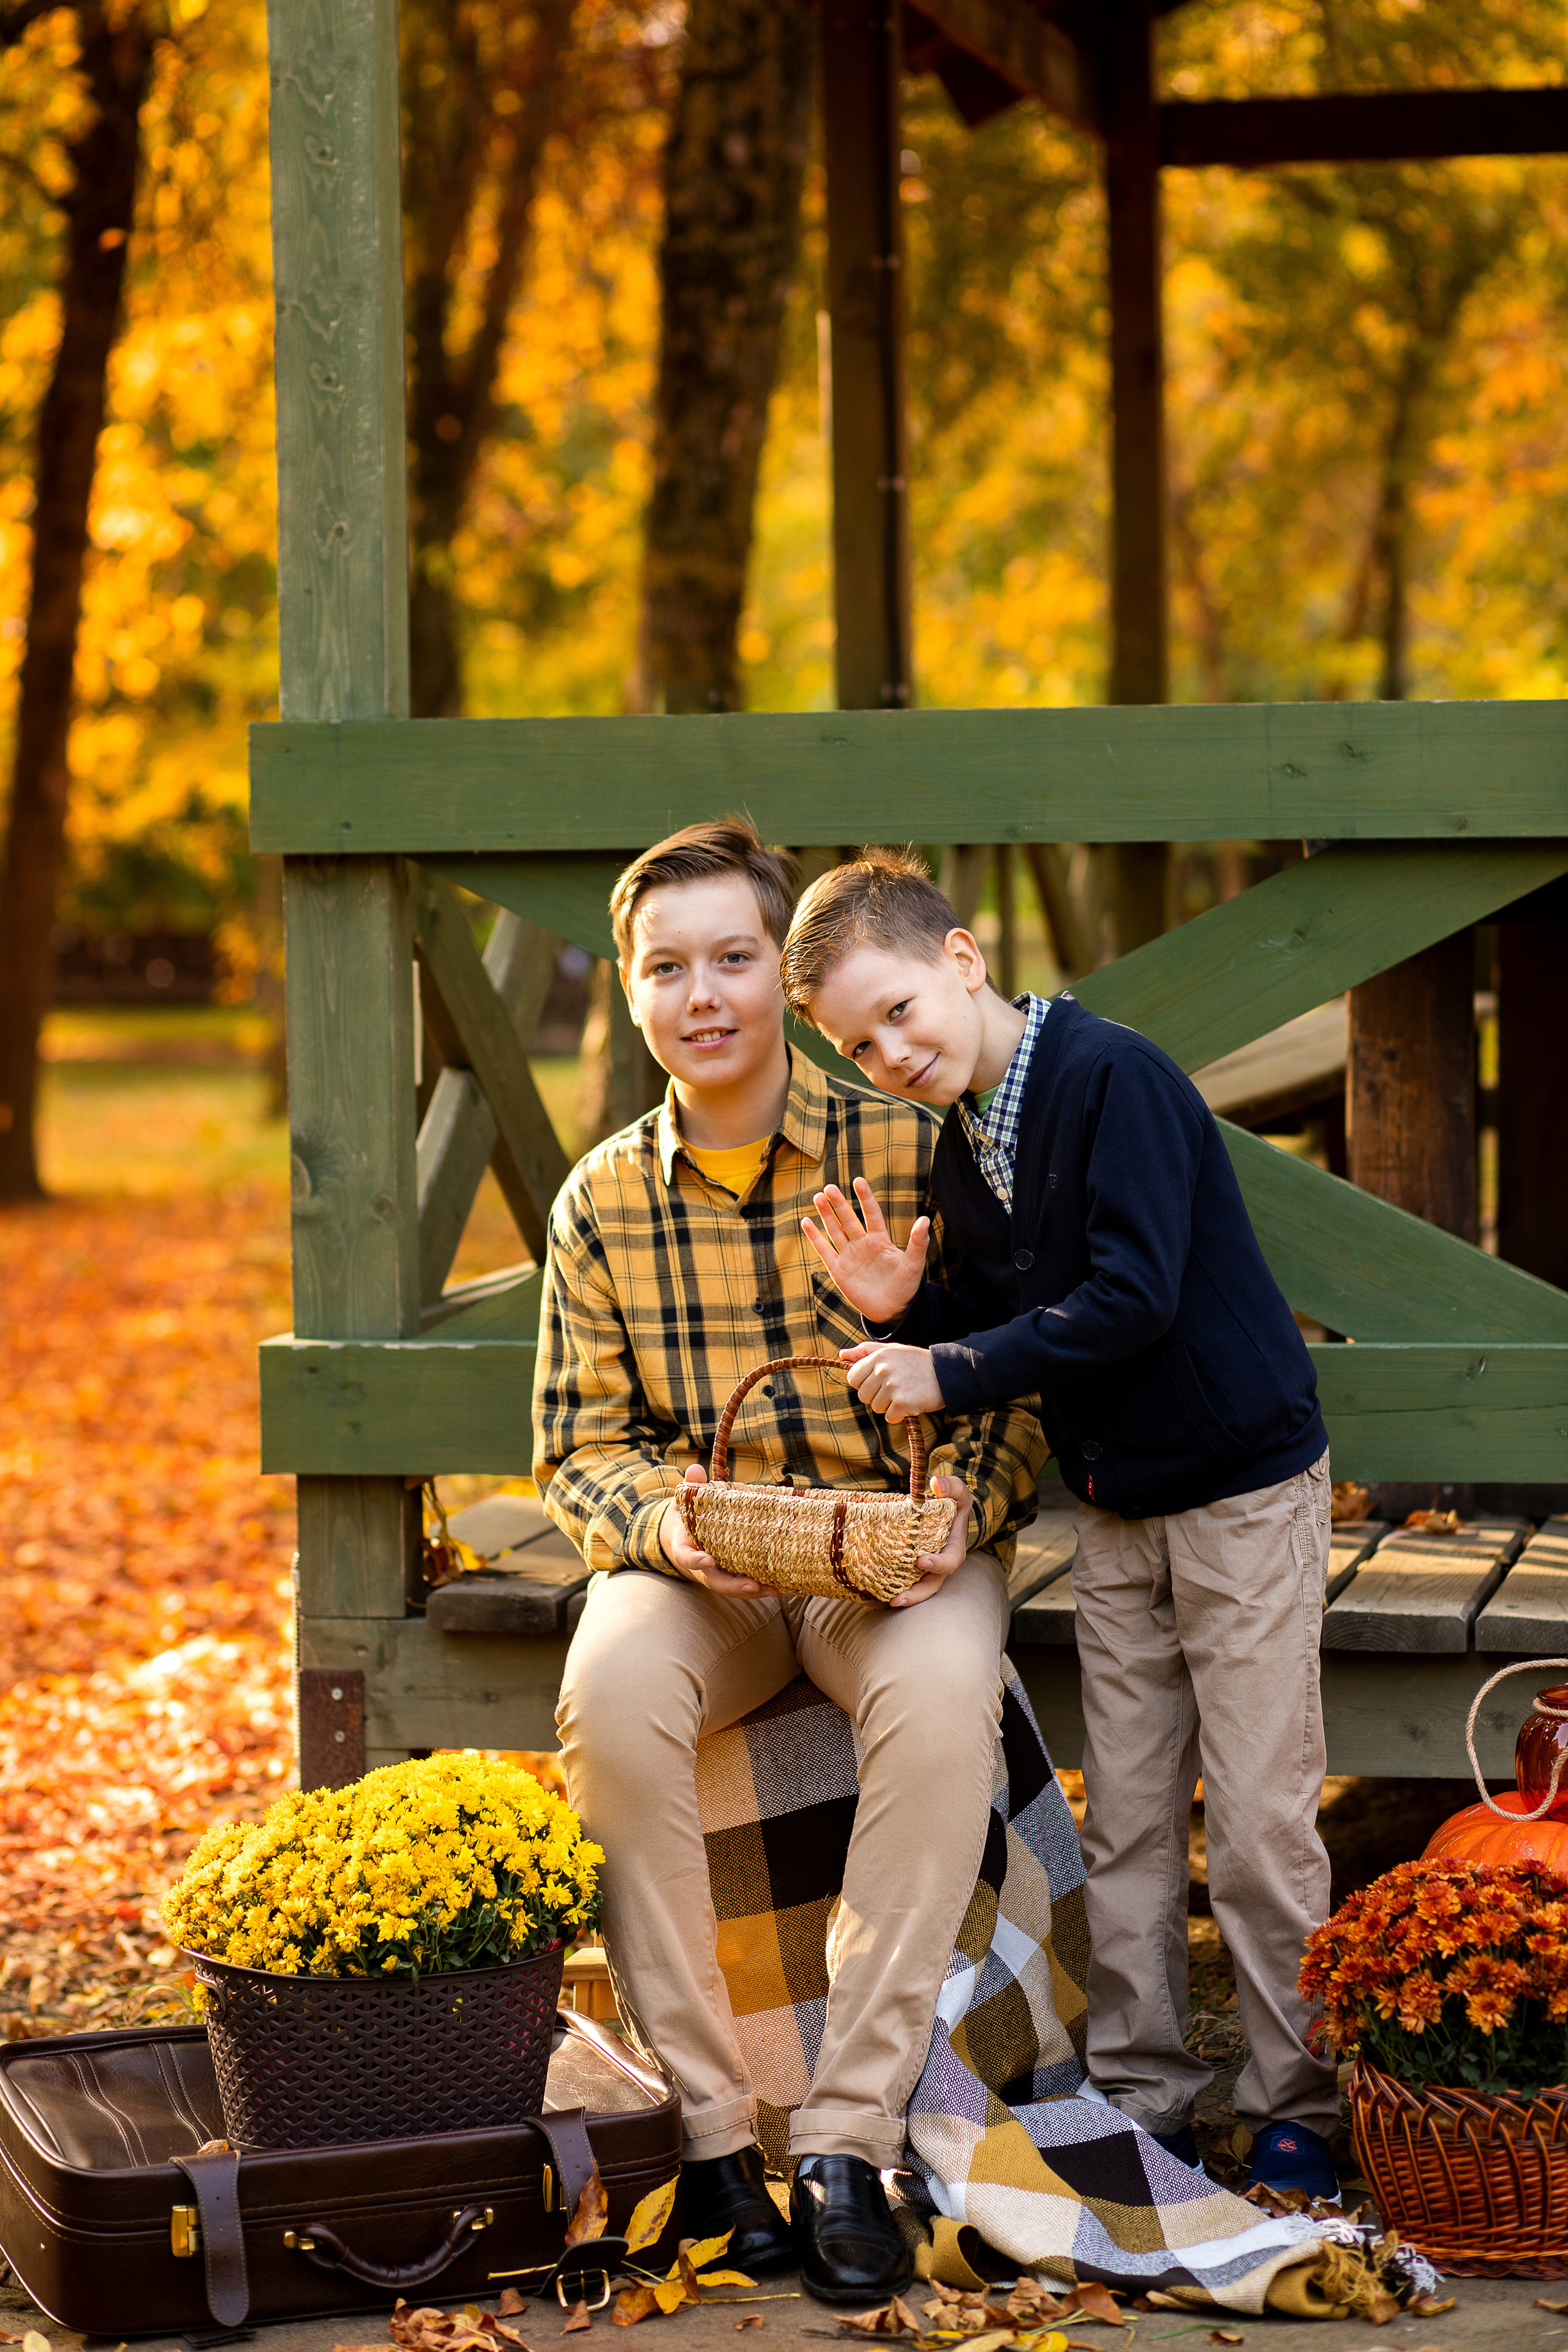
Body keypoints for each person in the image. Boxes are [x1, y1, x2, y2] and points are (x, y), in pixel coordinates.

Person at [777, 849, 1342, 2206]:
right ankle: (1146, 2093)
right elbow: (996, 1317)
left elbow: (1132, 1296)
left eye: (901, 1011)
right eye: (856, 1044)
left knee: (1261, 1820)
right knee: (1131, 1816)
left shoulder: (1110, 1080)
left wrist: (949, 1369)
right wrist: (903, 1315)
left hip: (1238, 1490)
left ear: (963, 961)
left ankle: (1296, 2103)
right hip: (1114, 1508)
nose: (888, 1052)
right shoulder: (965, 1140)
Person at [532, 821, 1044, 2302]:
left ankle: (843, 2128)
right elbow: (575, 1451)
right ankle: (702, 2131)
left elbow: (1012, 1388)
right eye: (665, 968)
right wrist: (666, 1525)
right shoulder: (601, 1204)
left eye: (735, 960)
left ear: (786, 974)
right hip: (708, 1572)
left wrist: (967, 1505)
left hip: (891, 1555)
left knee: (946, 1691)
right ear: (630, 996)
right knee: (611, 1694)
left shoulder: (908, 1136)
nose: (703, 995)